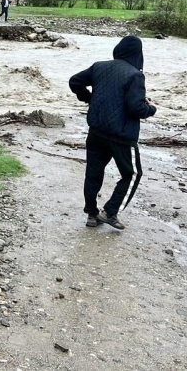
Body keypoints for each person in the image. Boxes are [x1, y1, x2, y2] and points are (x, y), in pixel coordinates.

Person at [69, 36, 156, 230]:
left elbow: (74, 81)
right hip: (122, 137)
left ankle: (92, 214)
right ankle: (109, 212)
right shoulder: (135, 75)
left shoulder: (99, 66)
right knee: (132, 174)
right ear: (138, 54)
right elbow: (137, 109)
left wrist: (89, 98)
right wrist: (151, 108)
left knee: (93, 173)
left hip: (96, 132)